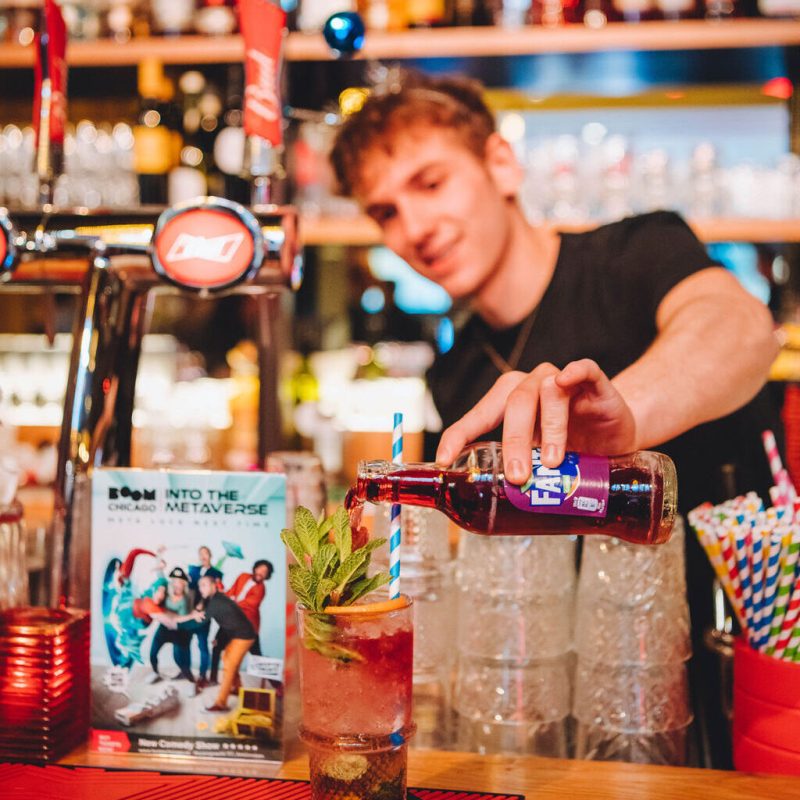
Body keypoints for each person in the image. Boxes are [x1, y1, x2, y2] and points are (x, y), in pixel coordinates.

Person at [330, 71, 781, 767]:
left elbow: (742, 329)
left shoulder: (634, 253)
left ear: (500, 164)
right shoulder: (457, 379)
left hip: (738, 673)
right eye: (384, 211)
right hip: (576, 715)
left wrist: (629, 417)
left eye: (430, 183)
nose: (414, 228)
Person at [168, 574, 256, 712]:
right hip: (238, 634)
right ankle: (238, 689)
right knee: (227, 659)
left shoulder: (216, 603)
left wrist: (176, 625)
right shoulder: (215, 599)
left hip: (244, 636)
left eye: (204, 585)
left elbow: (199, 623)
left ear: (214, 585)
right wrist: (218, 637)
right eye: (199, 585)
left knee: (229, 665)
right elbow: (226, 620)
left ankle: (220, 704)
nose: (200, 588)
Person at [148, 566, 194, 684]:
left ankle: (190, 679)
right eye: (174, 581)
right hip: (163, 628)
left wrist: (163, 613)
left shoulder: (184, 600)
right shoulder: (166, 591)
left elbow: (177, 619)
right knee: (153, 653)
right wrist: (158, 557)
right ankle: (155, 673)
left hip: (177, 631)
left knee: (178, 658)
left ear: (184, 584)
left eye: (180, 582)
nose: (176, 584)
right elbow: (160, 575)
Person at [187, 545, 224, 687]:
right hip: (190, 613)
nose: (203, 556)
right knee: (185, 644)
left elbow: (215, 593)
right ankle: (187, 671)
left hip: (204, 615)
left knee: (202, 645)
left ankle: (203, 675)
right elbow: (188, 588)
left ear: (210, 555)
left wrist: (203, 606)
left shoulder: (217, 573)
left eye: (206, 553)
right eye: (200, 553)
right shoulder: (193, 570)